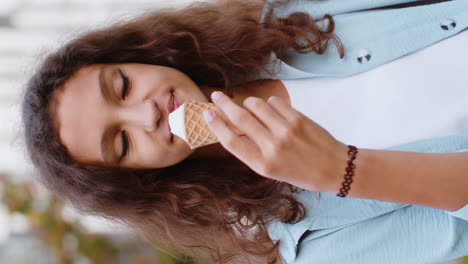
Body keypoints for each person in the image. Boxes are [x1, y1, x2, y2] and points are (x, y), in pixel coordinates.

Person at [21, 0, 467, 263]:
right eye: (122, 142)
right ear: (137, 178)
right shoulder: (309, 242)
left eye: (122, 86)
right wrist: (342, 172)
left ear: (140, 55)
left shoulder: (293, 18)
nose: (146, 116)